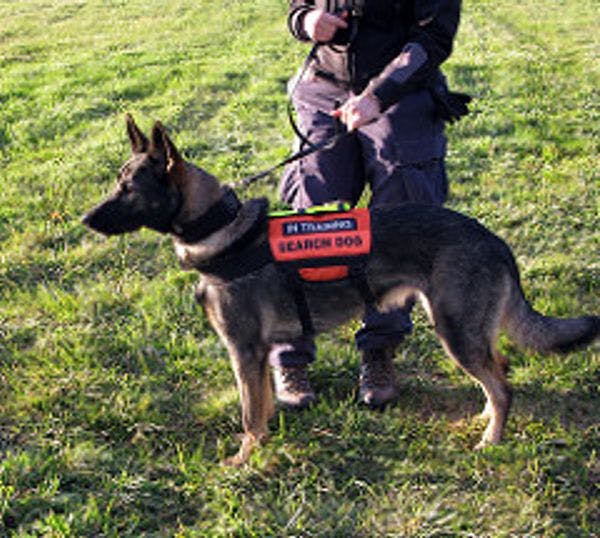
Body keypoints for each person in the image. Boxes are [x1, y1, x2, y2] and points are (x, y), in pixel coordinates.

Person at [270, 0, 469, 409]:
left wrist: (378, 96)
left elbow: (432, 37)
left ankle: (379, 350)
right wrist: (305, 20)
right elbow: (300, 4)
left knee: (398, 224)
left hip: (403, 93)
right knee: (309, 217)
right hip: (324, 85)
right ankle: (290, 355)